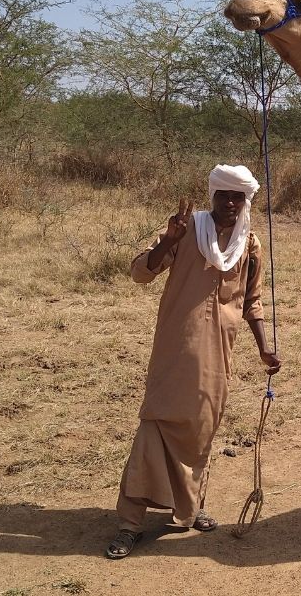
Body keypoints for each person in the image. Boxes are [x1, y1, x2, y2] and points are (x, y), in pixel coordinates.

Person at [106, 164, 282, 559]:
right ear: (212, 195)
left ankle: (189, 507)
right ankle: (130, 522)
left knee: (202, 429)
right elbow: (140, 273)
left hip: (220, 349)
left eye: (239, 197)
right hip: (175, 346)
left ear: (246, 200)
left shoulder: (249, 244)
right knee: (157, 424)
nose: (231, 203)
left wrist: (264, 347)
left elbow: (252, 301)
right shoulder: (186, 230)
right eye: (224, 195)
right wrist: (168, 240)